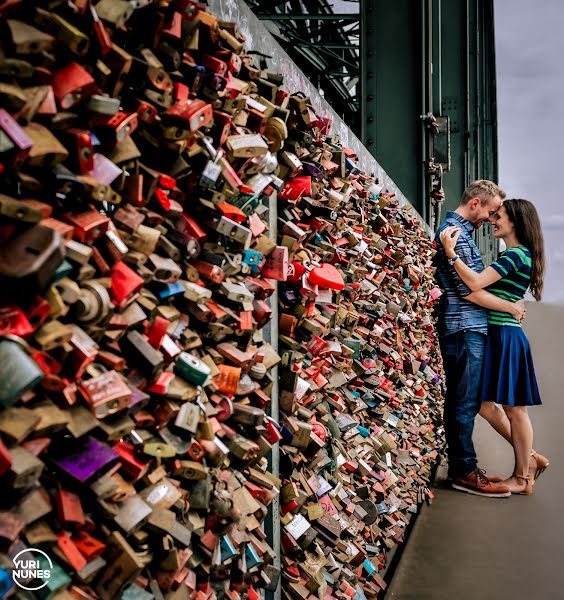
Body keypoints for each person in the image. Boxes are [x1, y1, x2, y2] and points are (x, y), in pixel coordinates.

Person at [440, 198, 548, 494]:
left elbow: (474, 284)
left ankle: (522, 477)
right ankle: (532, 458)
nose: (493, 221)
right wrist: (511, 305)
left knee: (515, 411)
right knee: (487, 407)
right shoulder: (518, 255)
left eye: (498, 217)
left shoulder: (515, 255)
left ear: (514, 222)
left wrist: (451, 254)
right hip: (499, 333)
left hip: (506, 335)